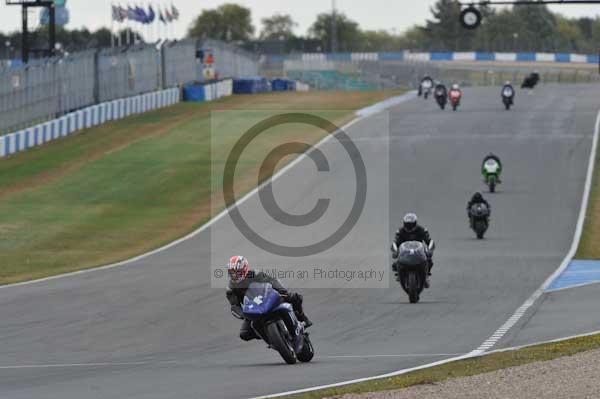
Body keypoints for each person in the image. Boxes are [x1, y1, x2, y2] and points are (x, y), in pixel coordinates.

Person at [226, 255, 312, 341]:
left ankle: (302, 318)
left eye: (237, 272)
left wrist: (283, 292)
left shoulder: (254, 274)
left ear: (244, 269)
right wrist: (243, 314)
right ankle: (270, 336)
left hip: (267, 298)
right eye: (232, 272)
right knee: (244, 334)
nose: (234, 275)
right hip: (252, 309)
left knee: (294, 297)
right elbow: (234, 306)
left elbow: (271, 280)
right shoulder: (231, 288)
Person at [392, 213, 434, 287]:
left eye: (411, 225)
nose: (409, 227)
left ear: (415, 223)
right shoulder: (400, 231)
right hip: (405, 252)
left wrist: (430, 250)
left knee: (429, 260)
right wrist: (395, 251)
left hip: (419, 251)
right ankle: (400, 274)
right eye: (407, 224)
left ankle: (426, 275)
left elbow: (430, 241)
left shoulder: (422, 230)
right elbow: (395, 243)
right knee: (395, 264)